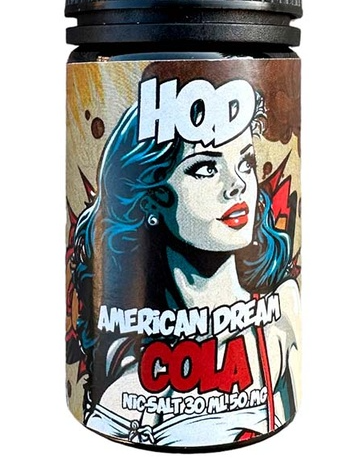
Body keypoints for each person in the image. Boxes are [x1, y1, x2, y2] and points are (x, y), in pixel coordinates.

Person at [72, 79, 300, 447]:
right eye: (206, 168)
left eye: (245, 162)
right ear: (152, 197)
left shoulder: (282, 315)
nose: (237, 184)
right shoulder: (127, 392)